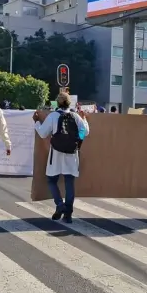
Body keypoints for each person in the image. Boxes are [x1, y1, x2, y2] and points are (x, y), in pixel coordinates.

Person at [34, 92, 89, 223]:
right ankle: (68, 214)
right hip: (71, 154)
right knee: (69, 183)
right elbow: (85, 132)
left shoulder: (53, 116)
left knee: (51, 180)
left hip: (56, 154)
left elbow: (42, 134)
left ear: (57, 103)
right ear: (70, 103)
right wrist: (84, 119)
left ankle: (59, 205)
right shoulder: (75, 117)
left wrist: (36, 122)